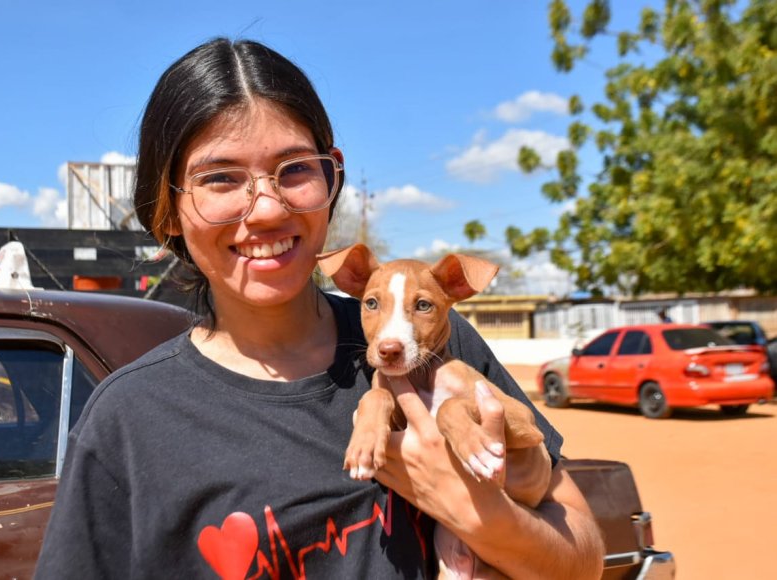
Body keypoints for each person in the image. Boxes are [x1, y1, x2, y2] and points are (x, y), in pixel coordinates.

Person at [36, 38, 603, 578]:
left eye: (295, 169)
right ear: (166, 212)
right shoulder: (130, 422)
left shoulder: (431, 344)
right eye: (220, 178)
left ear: (332, 176)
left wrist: (471, 509)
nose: (264, 209)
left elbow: (583, 559)